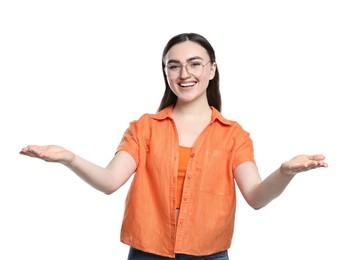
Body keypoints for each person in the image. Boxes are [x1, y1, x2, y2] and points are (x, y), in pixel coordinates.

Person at [19, 32, 328, 260]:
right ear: (165, 73)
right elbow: (110, 182)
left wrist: (286, 172)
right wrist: (69, 159)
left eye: (195, 64)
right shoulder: (144, 128)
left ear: (211, 69)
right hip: (147, 251)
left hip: (209, 253)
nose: (185, 74)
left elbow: (257, 197)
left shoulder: (234, 135)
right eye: (174, 66)